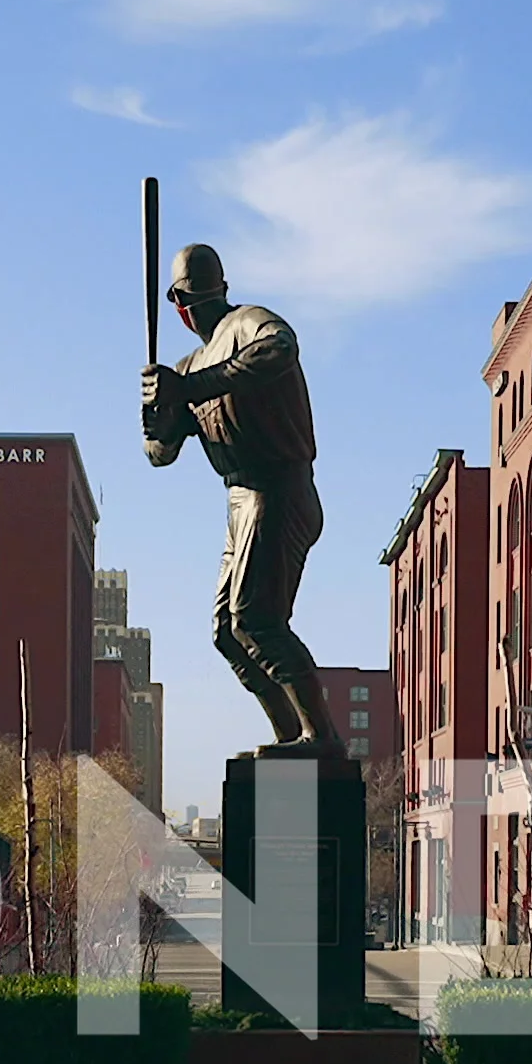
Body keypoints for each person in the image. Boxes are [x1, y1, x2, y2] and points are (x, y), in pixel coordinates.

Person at [140, 243, 336, 757]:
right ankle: (290, 735)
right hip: (239, 502)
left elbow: (282, 348)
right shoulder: (189, 363)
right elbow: (160, 454)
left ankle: (322, 738)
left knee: (257, 621)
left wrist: (190, 387)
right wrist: (158, 415)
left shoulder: (248, 323)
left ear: (181, 304)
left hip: (279, 488)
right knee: (228, 632)